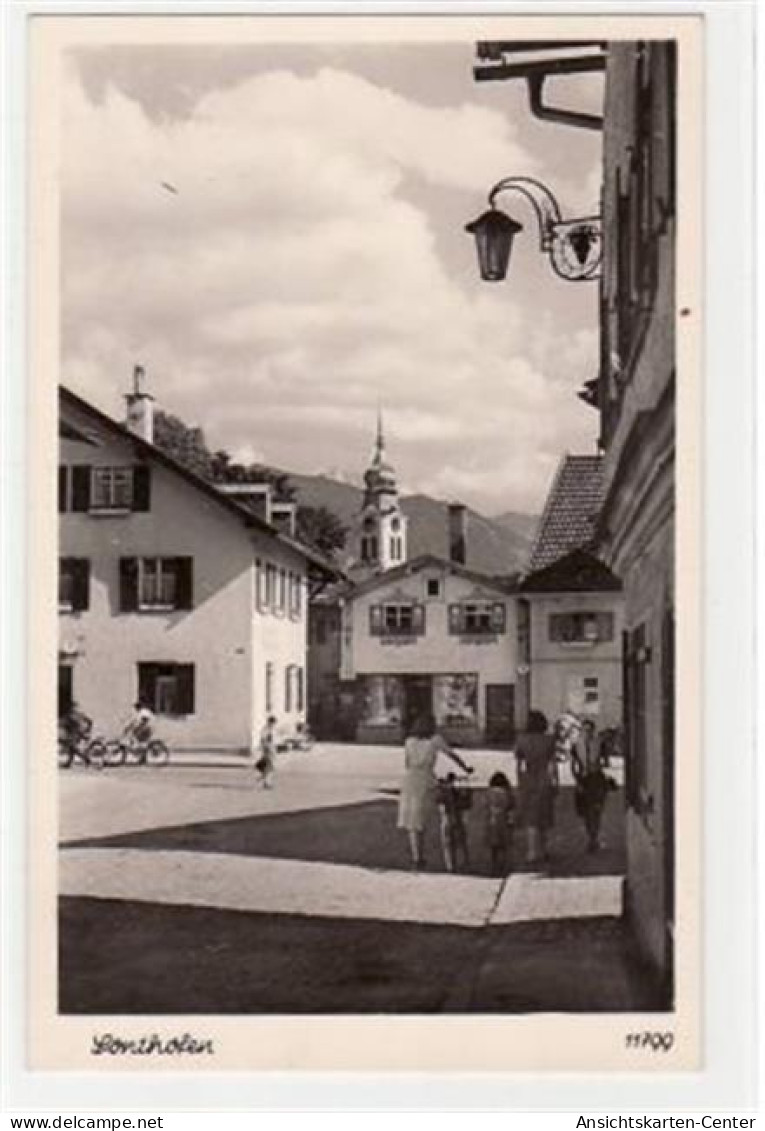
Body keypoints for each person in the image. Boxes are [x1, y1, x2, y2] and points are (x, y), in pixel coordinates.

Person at [397, 713, 473, 871]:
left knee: (413, 820)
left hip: (410, 779)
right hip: (425, 779)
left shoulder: (409, 741)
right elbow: (451, 755)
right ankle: (448, 850)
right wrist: (465, 768)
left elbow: (407, 763)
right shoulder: (435, 740)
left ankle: (417, 857)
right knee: (432, 814)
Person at [515, 709, 558, 866]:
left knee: (531, 818)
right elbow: (553, 765)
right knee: (544, 817)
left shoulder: (521, 740)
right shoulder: (549, 740)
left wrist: (520, 782)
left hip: (528, 781)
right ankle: (544, 850)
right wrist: (555, 782)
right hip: (544, 780)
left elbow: (519, 765)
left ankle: (532, 852)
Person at [571, 718, 617, 853]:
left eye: (589, 730)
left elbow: (606, 761)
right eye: (585, 730)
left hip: (596, 778)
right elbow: (574, 765)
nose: (587, 733)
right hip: (584, 779)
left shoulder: (598, 743)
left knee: (596, 810)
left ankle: (593, 837)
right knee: (586, 811)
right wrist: (577, 779)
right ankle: (591, 836)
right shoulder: (577, 745)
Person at [436, 771, 472, 873]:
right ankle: (463, 864)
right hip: (459, 817)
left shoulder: (443, 792)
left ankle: (450, 866)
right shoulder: (462, 792)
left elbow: (441, 806)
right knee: (461, 843)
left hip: (447, 818)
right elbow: (467, 805)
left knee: (447, 844)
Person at [485, 771, 515, 876]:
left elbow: (485, 807)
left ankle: (494, 866)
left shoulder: (489, 793)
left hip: (492, 822)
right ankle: (504, 866)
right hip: (504, 821)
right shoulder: (507, 793)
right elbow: (511, 807)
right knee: (504, 846)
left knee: (494, 847)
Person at [255, 715, 278, 789]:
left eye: (274, 723)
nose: (273, 724)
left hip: (272, 749)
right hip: (268, 749)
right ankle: (263, 780)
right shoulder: (265, 729)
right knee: (271, 766)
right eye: (272, 723)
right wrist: (265, 748)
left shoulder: (273, 730)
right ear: (269, 722)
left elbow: (274, 740)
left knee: (269, 767)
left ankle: (264, 781)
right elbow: (263, 740)